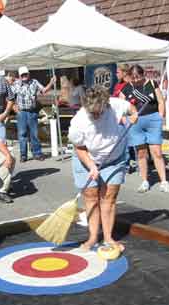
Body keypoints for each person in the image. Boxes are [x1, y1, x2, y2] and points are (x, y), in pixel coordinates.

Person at [68, 86, 137, 251]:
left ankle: (108, 238)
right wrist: (91, 166)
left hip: (114, 158)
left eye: (99, 112)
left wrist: (133, 116)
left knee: (109, 197)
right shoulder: (78, 121)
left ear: (106, 104)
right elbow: (79, 148)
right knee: (91, 197)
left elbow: (131, 109)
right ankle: (92, 238)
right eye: (92, 113)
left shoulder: (115, 105)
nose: (96, 115)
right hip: (87, 158)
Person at [120, 65, 169, 194]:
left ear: (143, 74)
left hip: (152, 120)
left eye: (138, 77)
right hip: (135, 123)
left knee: (157, 152)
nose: (136, 80)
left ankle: (164, 182)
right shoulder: (126, 88)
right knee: (141, 153)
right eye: (133, 78)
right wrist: (125, 122)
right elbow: (121, 108)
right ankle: (144, 181)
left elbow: (161, 101)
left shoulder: (151, 84)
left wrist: (160, 117)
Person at [11, 66, 55, 162]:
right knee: (22, 134)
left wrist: (51, 83)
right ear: (19, 75)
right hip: (21, 112)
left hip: (32, 111)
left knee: (34, 134)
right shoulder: (16, 84)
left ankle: (37, 153)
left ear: (28, 74)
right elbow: (9, 97)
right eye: (22, 75)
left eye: (25, 74)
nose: (24, 76)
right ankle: (23, 155)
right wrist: (14, 107)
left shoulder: (34, 82)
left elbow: (43, 91)